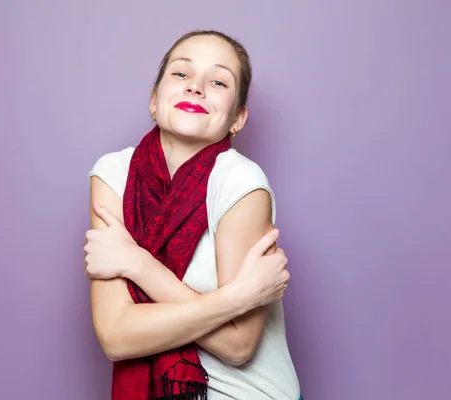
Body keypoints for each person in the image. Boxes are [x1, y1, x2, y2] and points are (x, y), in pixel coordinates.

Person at [84, 30, 301, 400]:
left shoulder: (240, 181)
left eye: (218, 81)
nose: (196, 87)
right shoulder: (112, 174)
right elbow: (116, 336)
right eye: (181, 74)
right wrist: (238, 298)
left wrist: (137, 263)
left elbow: (238, 345)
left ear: (237, 118)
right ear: (154, 100)